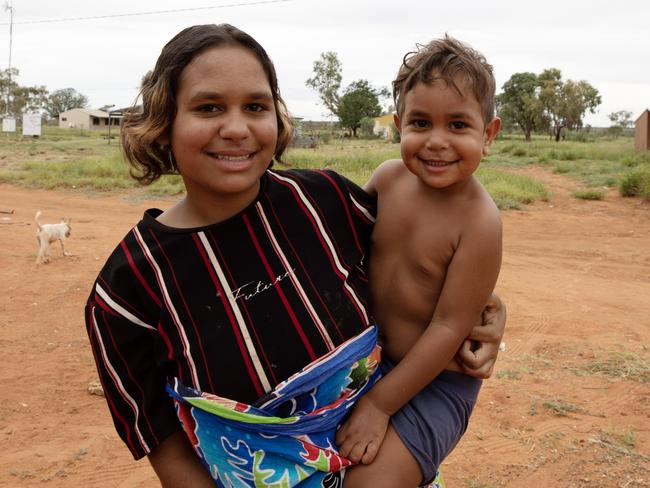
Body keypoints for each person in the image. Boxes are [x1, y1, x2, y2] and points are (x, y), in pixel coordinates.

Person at [84, 24, 505, 487]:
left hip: (378, 428)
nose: (236, 128)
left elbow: (422, 269)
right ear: (165, 121)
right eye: (208, 108)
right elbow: (155, 429)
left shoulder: (321, 203)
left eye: (256, 107)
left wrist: (487, 312)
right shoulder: (128, 287)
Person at [336, 36, 503, 487]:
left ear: (488, 135)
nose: (436, 142)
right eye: (421, 122)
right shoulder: (386, 180)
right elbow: (339, 250)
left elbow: (449, 328)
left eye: (458, 125)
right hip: (370, 364)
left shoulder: (480, 221)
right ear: (398, 125)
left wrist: (378, 406)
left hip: (438, 385)